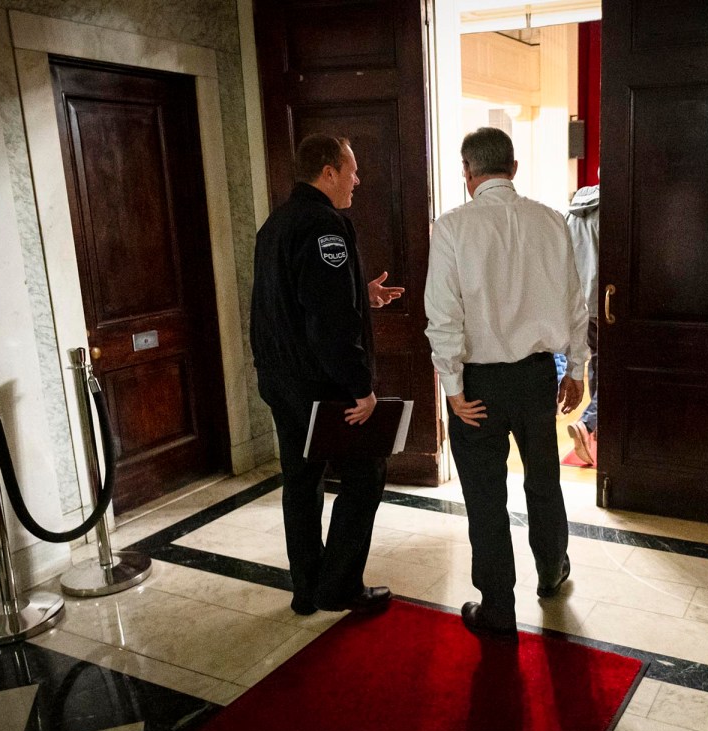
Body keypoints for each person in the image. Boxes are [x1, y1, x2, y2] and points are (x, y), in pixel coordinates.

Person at [425, 127, 589, 638]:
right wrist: (577, 368)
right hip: (539, 376)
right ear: (513, 168)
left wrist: (452, 388)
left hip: (478, 384)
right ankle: (551, 572)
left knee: (485, 494)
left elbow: (443, 314)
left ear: (467, 173)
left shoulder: (451, 228)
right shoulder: (551, 222)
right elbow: (574, 302)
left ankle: (498, 606)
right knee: (544, 480)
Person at [250, 133, 403, 616]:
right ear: (329, 172)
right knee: (366, 475)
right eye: (351, 169)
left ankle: (306, 589)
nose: (358, 179)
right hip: (323, 387)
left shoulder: (276, 224)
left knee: (301, 483)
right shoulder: (325, 226)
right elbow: (328, 319)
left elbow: (289, 300)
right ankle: (338, 587)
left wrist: (363, 292)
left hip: (281, 382)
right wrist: (361, 387)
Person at [563, 184, 600, 464]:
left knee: (599, 363)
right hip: (610, 302)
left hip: (582, 304)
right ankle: (589, 424)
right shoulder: (615, 211)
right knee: (617, 370)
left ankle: (597, 431)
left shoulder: (573, 212)